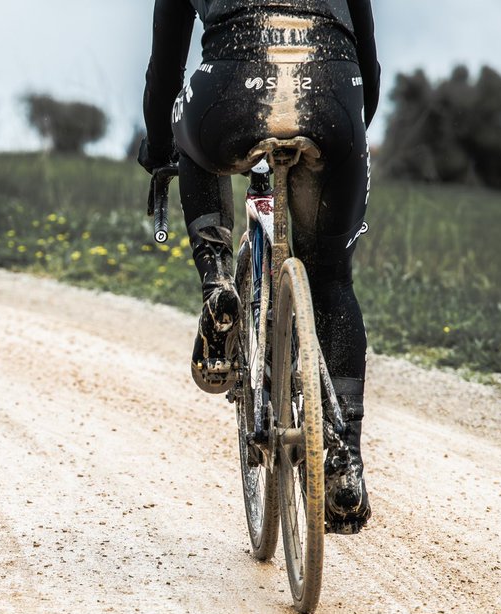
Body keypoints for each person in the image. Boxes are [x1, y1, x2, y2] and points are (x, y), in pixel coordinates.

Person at [140, 0, 379, 529]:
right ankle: (345, 462)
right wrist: (346, 136)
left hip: (232, 87)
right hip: (331, 87)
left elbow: (165, 72)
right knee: (333, 277)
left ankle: (218, 280)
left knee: (190, 144)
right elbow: (372, 65)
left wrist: (161, 149)